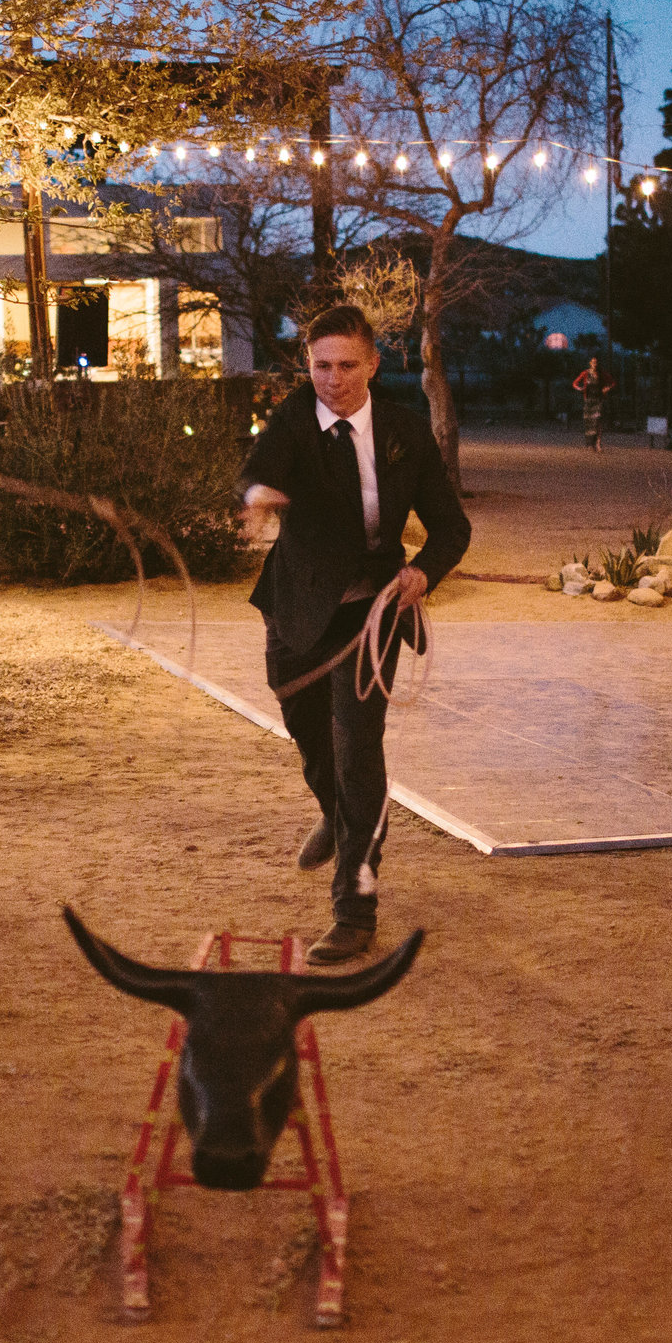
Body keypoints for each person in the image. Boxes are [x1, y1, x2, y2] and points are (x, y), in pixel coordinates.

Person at [240, 305, 471, 963]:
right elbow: (259, 468)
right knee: (307, 731)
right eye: (320, 365)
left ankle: (355, 909)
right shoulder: (293, 419)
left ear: (372, 363)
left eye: (346, 365)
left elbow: (451, 528)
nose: (333, 379)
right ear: (307, 364)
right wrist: (257, 496)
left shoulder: (404, 432)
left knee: (357, 748)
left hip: (371, 613)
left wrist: (423, 573)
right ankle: (340, 814)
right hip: (296, 606)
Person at [572, 356, 604, 451]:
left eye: (596, 362)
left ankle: (598, 442)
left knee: (597, 420)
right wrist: (580, 388)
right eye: (593, 362)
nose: (595, 364)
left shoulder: (601, 374)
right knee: (589, 422)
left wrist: (606, 388)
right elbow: (575, 383)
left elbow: (611, 382)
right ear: (590, 363)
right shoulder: (585, 373)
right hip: (588, 400)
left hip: (598, 399)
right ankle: (591, 443)